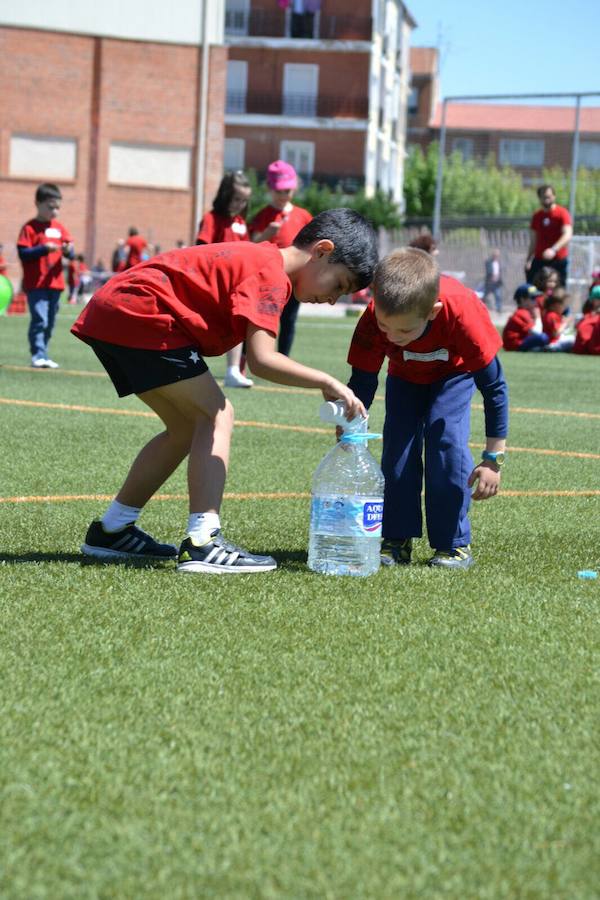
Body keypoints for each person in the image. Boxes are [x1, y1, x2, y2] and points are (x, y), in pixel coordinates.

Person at [70, 208, 378, 573]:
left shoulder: (263, 261)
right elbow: (262, 360)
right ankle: (203, 541)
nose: (332, 300)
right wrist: (327, 381)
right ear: (323, 251)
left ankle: (112, 530)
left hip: (116, 308)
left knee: (186, 428)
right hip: (143, 312)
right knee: (217, 414)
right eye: (339, 286)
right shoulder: (272, 274)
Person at [345, 247, 508, 571]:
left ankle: (452, 545)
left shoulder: (462, 314)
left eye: (404, 331)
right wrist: (348, 429)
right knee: (397, 451)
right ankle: (396, 538)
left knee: (445, 441)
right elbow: (362, 381)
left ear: (432, 312)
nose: (392, 336)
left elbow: (495, 389)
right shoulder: (376, 318)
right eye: (385, 327)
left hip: (454, 374)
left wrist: (493, 459)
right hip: (404, 377)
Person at [196, 170, 254, 388]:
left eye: (244, 200)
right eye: (236, 198)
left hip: (235, 286)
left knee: (238, 324)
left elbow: (248, 251)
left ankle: (233, 371)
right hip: (212, 285)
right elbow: (202, 250)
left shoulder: (240, 222)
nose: (240, 204)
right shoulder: (211, 219)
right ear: (225, 195)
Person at [249, 160, 312, 356]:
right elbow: (250, 247)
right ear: (269, 188)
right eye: (278, 191)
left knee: (289, 320)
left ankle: (283, 358)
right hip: (266, 278)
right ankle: (246, 360)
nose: (283, 196)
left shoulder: (303, 216)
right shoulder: (262, 216)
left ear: (294, 189)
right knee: (259, 319)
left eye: (287, 191)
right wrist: (266, 233)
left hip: (293, 279)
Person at [17, 182, 74, 368]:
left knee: (50, 322)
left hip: (55, 284)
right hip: (37, 284)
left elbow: (71, 252)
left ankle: (44, 353)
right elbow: (23, 253)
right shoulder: (30, 228)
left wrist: (67, 250)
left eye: (57, 207)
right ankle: (37, 354)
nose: (55, 212)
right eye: (50, 207)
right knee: (40, 319)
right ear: (37, 203)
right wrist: (43, 249)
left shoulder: (59, 228)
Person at [526, 184, 572, 287]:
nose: (547, 199)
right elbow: (533, 241)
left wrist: (553, 249)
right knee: (532, 289)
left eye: (549, 196)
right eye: (544, 197)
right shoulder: (537, 216)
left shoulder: (562, 213)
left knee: (558, 293)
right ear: (540, 198)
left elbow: (567, 234)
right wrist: (529, 259)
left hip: (558, 260)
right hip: (539, 260)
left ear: (554, 196)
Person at [502, 284, 549, 352]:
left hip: (518, 343)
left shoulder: (526, 312)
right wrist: (538, 317)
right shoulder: (522, 313)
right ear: (522, 299)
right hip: (515, 345)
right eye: (532, 298)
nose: (535, 301)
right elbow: (537, 333)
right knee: (543, 337)